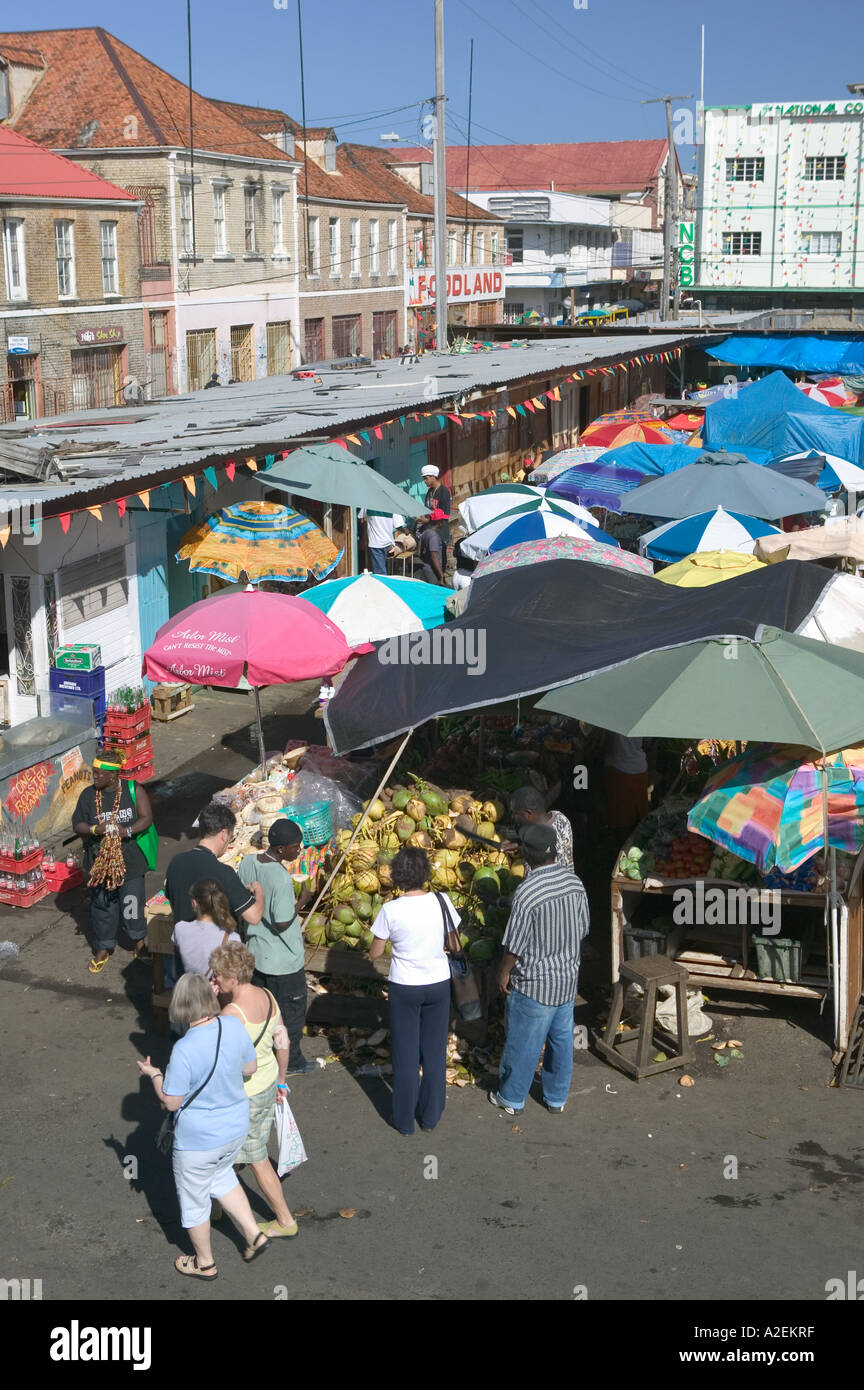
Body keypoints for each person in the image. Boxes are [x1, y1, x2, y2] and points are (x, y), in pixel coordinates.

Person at [136, 972, 269, 1278]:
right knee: (222, 1176)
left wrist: (154, 1074)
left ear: (180, 1005)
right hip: (235, 1127)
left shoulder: (184, 1049)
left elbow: (171, 1101)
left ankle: (204, 1262)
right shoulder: (233, 1025)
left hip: (199, 1141)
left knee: (195, 1199)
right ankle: (254, 1234)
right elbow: (250, 1066)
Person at [489, 824, 590, 1116]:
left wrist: (503, 972)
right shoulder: (574, 882)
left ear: (528, 855)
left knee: (524, 1044)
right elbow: (583, 928)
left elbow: (515, 945)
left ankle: (511, 1098)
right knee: (560, 1043)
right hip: (567, 981)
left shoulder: (527, 892)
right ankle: (556, 1098)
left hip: (535, 985)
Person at [210, 942, 297, 1240]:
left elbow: (214, 1057)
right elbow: (282, 1041)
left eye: (219, 976)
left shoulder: (231, 1014)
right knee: (237, 1148)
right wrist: (282, 1079)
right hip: (268, 1081)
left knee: (256, 1156)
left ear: (233, 977)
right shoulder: (268, 997)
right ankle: (217, 1203)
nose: (215, 980)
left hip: (243, 1094)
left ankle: (285, 1220)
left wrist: (211, 1006)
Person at [368, 847, 452, 1136]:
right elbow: (453, 940)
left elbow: (376, 952)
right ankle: (430, 1117)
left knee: (405, 1055)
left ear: (397, 876)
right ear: (425, 873)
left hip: (405, 986)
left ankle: (404, 1122)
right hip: (439, 983)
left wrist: (392, 945)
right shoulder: (442, 901)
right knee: (434, 1052)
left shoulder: (390, 910)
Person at [237, 818, 316, 1076]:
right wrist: (302, 900)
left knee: (264, 1012)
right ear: (281, 849)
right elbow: (282, 922)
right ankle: (292, 1062)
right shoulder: (280, 878)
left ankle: (260, 1057)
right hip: (283, 961)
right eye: (296, 846)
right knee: (291, 1015)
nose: (299, 849)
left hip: (257, 955)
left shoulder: (247, 863)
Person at [72, 752, 154, 974]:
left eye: (99, 773)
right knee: (103, 906)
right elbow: (77, 824)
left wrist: (125, 831)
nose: (94, 777)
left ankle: (139, 942)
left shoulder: (133, 790)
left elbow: (146, 818)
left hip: (130, 862)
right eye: (94, 772)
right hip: (100, 863)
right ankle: (104, 947)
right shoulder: (88, 796)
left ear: (114, 774)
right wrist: (93, 829)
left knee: (131, 903)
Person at [165, 802, 264, 930]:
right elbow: (254, 916)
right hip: (215, 949)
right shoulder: (224, 872)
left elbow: (172, 897)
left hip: (183, 946)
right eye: (230, 835)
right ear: (224, 834)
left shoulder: (176, 862)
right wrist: (259, 891)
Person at [172, 879, 242, 976]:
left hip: (189, 988)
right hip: (215, 990)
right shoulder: (232, 938)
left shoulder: (180, 929)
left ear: (194, 903)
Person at [503, 784, 574, 870]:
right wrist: (518, 844)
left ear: (528, 814)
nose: (513, 818)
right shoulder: (561, 818)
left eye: (515, 813)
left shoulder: (535, 859)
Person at [604, 734, 652, 837]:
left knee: (622, 820)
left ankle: (623, 845)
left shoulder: (612, 721)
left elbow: (608, 745)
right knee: (639, 814)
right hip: (640, 767)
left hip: (620, 770)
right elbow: (647, 742)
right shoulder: (639, 719)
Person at [359, 509, 404, 576]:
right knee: (388, 570)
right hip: (389, 544)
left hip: (376, 544)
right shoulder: (392, 505)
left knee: (380, 573)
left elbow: (360, 516)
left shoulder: (368, 504)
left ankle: (383, 585)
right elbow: (399, 525)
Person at [421, 464, 451, 552]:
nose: (424, 481)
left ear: (433, 477)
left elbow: (445, 516)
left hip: (439, 533)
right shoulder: (429, 492)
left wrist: (428, 521)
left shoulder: (443, 491)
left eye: (426, 478)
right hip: (429, 531)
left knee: (439, 561)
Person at [416, 509, 448, 585]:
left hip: (426, 569)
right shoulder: (434, 536)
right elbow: (434, 557)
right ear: (439, 522)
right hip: (433, 572)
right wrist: (441, 576)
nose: (444, 522)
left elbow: (419, 553)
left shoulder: (425, 532)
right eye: (443, 520)